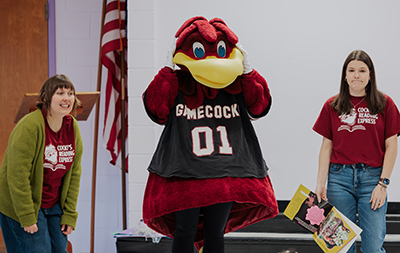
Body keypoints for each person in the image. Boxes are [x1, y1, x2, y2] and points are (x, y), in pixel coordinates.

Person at [313, 50, 400, 253]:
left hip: (373, 180)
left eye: (362, 70)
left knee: (372, 246)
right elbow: (326, 147)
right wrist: (320, 184)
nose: (356, 75)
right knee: (341, 246)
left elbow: (392, 146)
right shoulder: (332, 105)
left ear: (370, 75)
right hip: (338, 179)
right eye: (351, 70)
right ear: (345, 75)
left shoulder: (385, 104)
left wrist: (383, 183)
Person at [0, 74, 83, 253]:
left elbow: (74, 174)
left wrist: (69, 214)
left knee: (59, 249)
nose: (66, 98)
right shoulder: (29, 127)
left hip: (53, 203)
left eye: (70, 93)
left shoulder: (72, 127)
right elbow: (17, 175)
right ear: (45, 97)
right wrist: (27, 215)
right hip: (23, 202)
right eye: (60, 93)